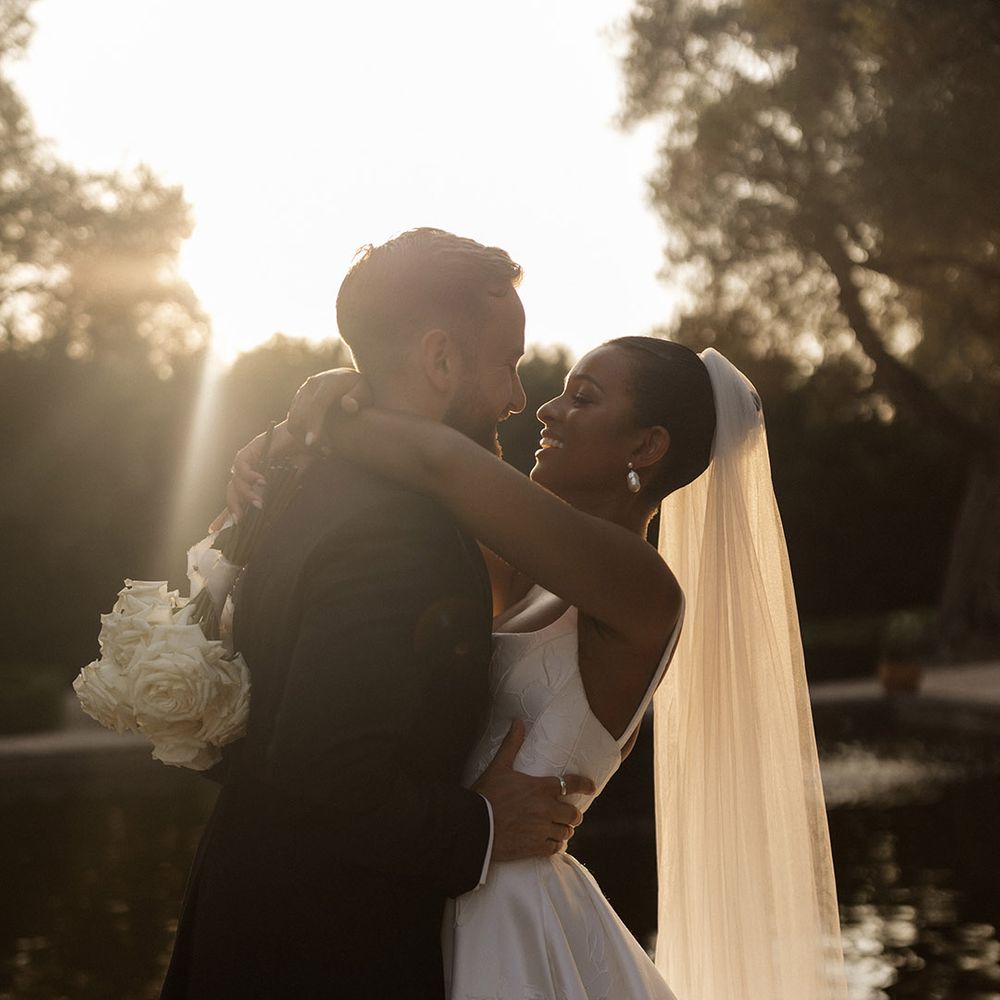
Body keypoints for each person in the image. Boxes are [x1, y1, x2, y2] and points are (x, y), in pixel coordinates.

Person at [227, 337, 849, 997]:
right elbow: (406, 500)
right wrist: (299, 425)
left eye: (583, 398)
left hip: (510, 916)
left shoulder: (641, 587)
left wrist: (322, 409)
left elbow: (440, 464)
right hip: (441, 878)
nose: (547, 410)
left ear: (645, 448)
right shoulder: (522, 573)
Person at [159, 228, 596, 1000]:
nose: (519, 398)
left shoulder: (304, 479)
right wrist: (482, 828)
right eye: (511, 363)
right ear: (439, 358)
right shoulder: (398, 533)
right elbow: (323, 770)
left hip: (250, 919)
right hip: (324, 953)